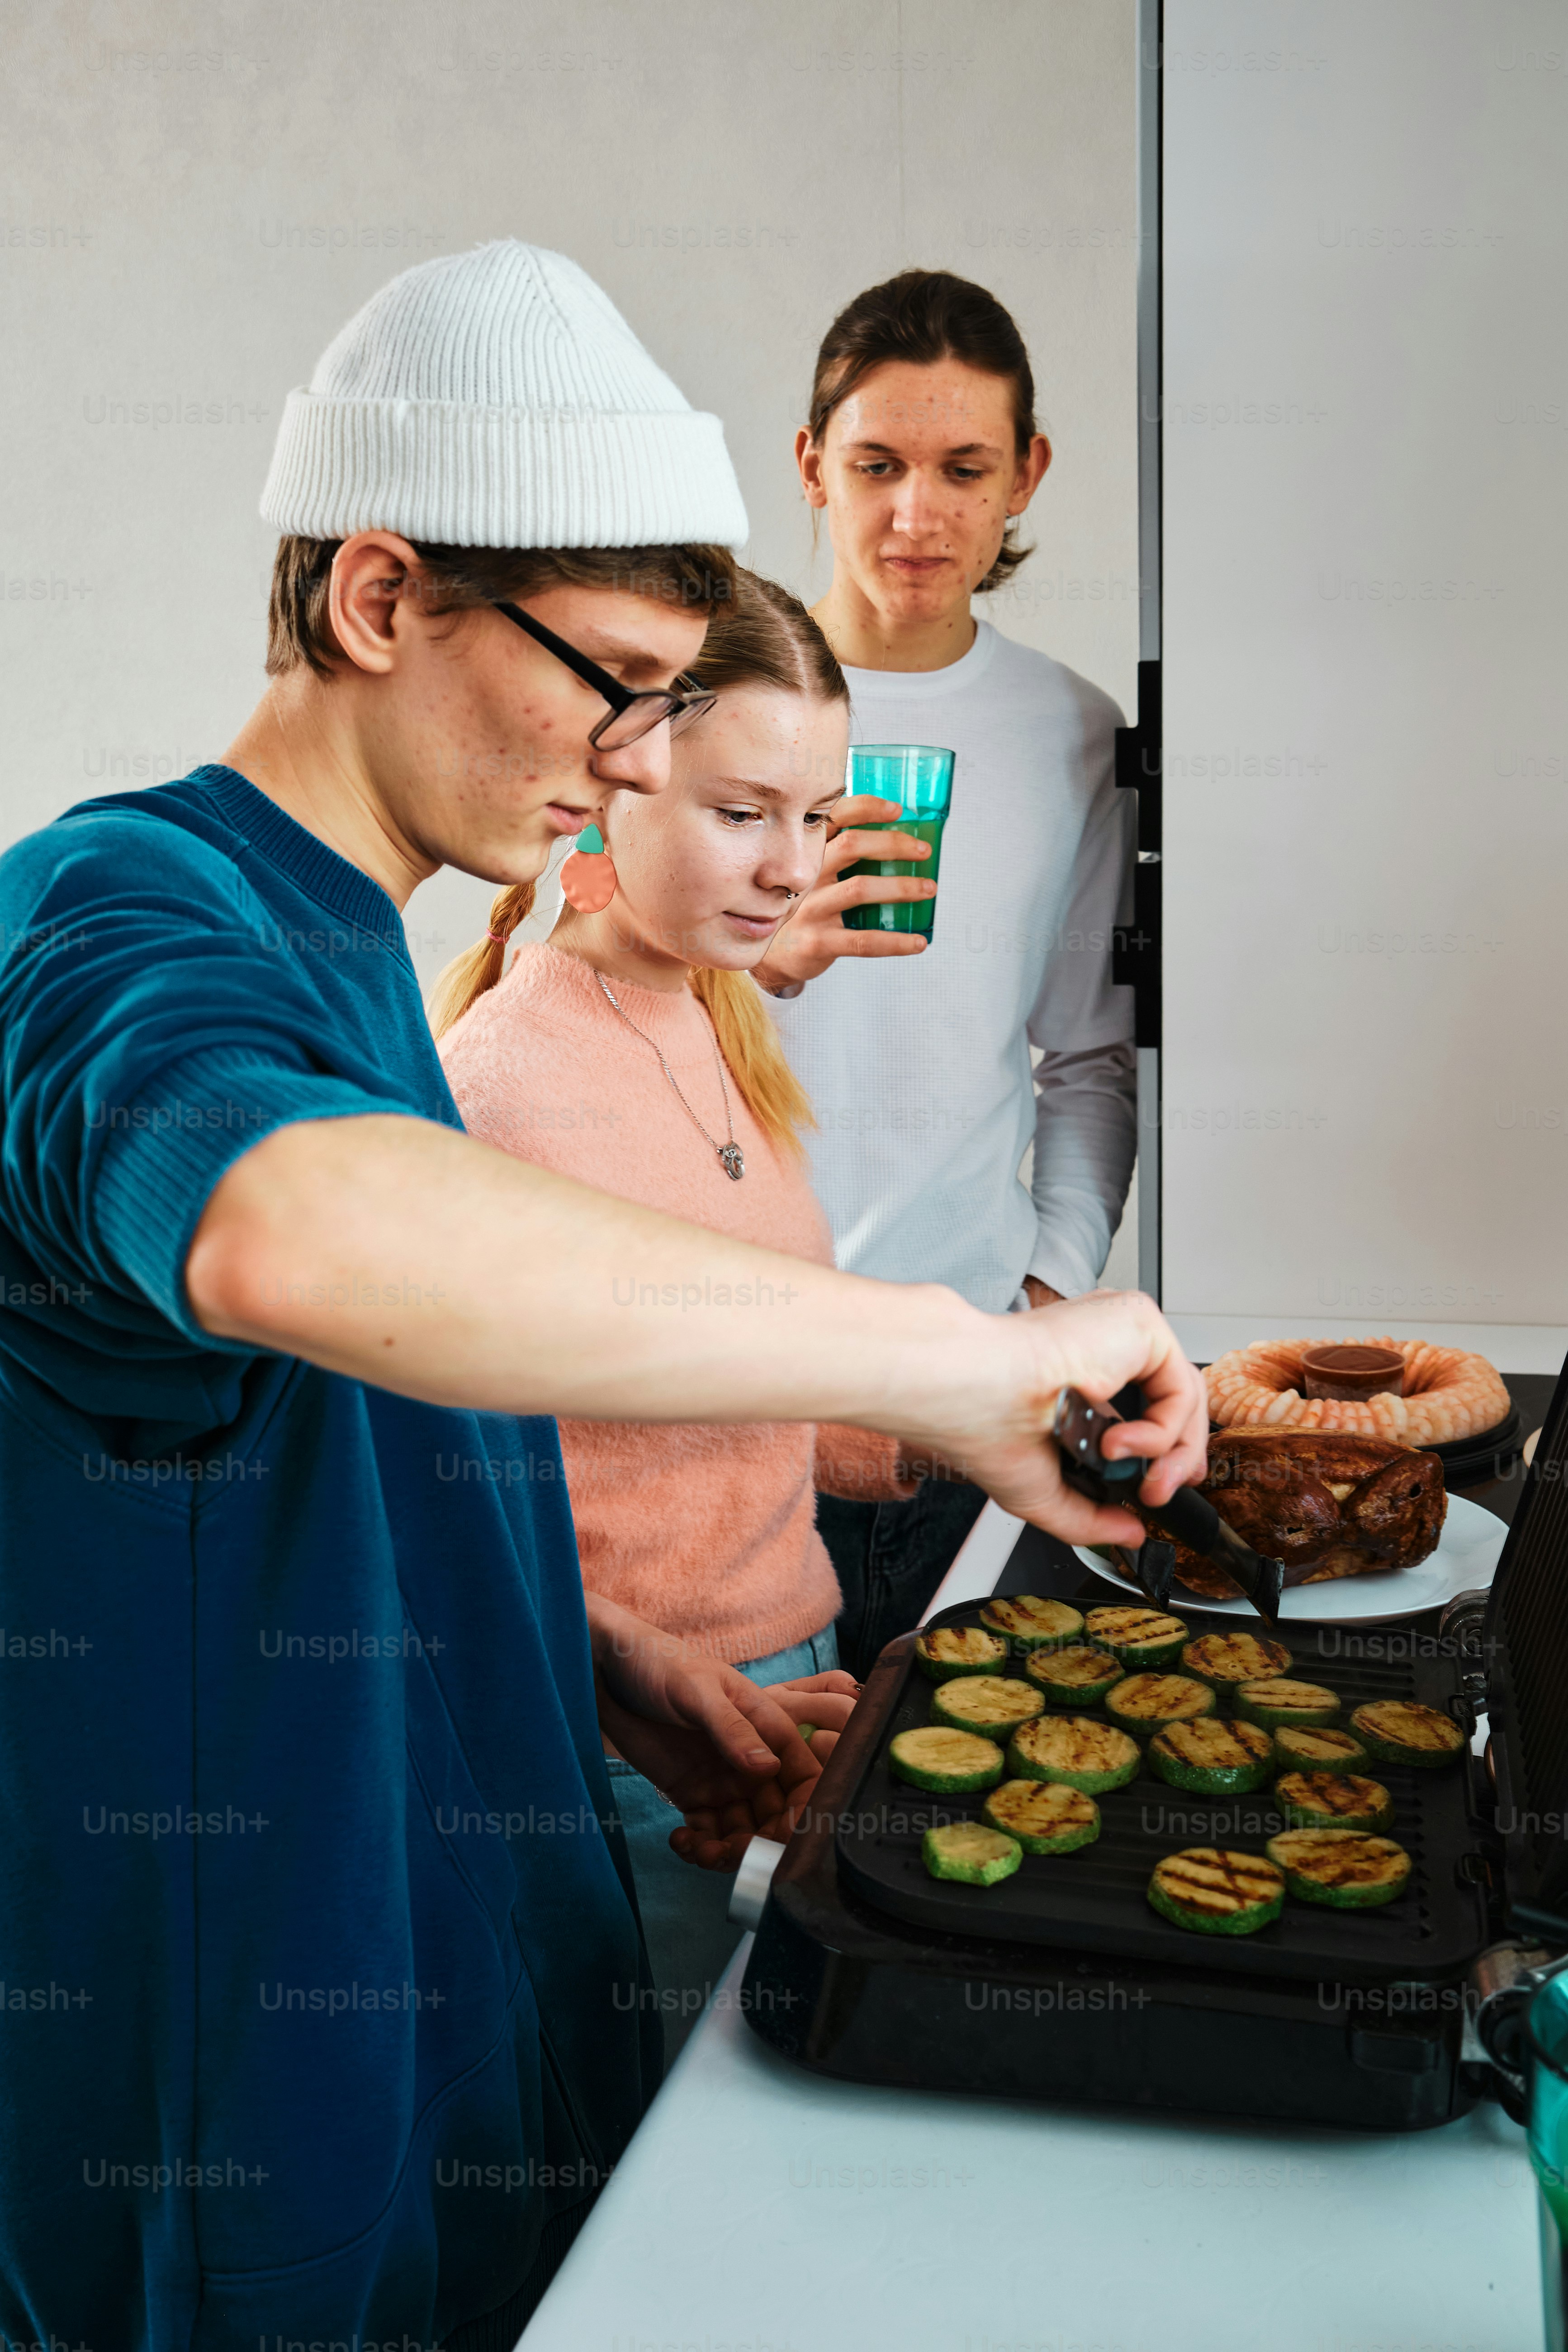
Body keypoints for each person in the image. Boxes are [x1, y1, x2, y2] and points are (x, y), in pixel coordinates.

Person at [0, 240, 1203, 2347]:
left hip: (462, 1988)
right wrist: (960, 1364)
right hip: (234, 2110)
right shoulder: (111, 910)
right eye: (612, 684)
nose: (638, 756)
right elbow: (286, 1230)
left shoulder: (367, 947)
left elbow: (342, 1432)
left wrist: (588, 1661)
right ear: (380, 600)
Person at [437, 570, 938, 2057]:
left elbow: (735, 1379)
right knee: (659, 2148)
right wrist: (637, 1681)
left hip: (803, 1676)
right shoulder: (495, 1088)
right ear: (615, 778)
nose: (792, 868)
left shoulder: (720, 1015)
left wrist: (965, 1431)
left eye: (817, 812)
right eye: (740, 811)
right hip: (633, 1738)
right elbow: (443, 1498)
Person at [751, 268, 1140, 1678]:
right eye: (875, 465)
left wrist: (1040, 1300)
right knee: (733, 1830)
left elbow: (1086, 1056)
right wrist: (759, 966)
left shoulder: (1070, 732)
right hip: (734, 1380)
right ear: (810, 466)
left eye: (963, 468)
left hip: (963, 1393)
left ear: (1025, 475)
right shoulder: (695, 703)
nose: (916, 515)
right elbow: (585, 1022)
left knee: (940, 1808)